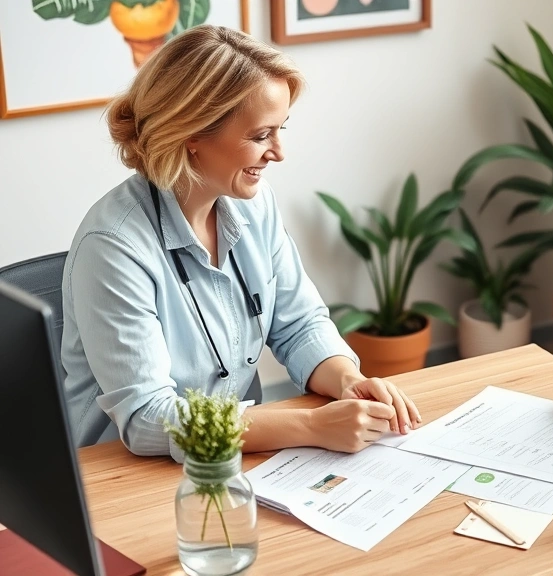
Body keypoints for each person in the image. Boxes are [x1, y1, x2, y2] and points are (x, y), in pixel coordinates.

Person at [61, 25, 419, 461]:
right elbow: (148, 418)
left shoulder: (253, 204)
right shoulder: (113, 246)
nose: (278, 152)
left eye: (279, 128)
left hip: (237, 450)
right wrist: (311, 425)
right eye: (260, 135)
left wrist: (346, 379)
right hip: (125, 473)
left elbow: (300, 323)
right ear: (192, 134)